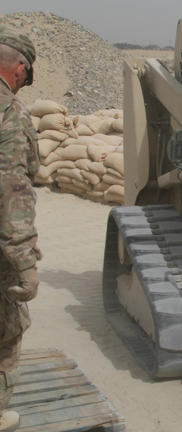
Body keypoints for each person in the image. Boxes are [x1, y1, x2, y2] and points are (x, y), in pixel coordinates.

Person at [0, 27, 40, 432]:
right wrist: (24, 264)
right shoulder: (9, 114)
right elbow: (12, 195)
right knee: (6, 331)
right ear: (19, 69)